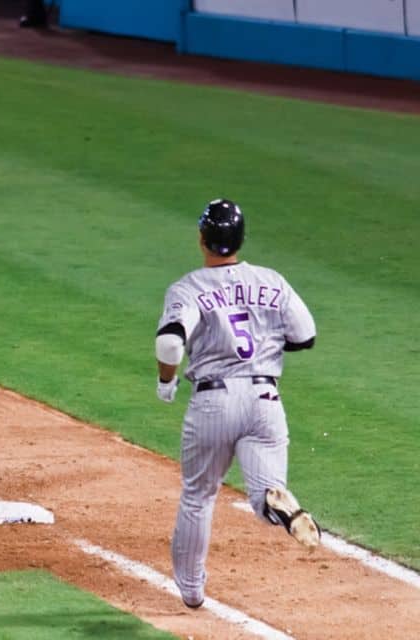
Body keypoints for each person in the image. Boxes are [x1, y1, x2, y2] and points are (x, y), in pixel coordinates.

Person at [155, 198, 321, 609]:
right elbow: (305, 335)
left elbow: (171, 342)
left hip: (214, 401)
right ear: (241, 239)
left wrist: (166, 381)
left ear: (202, 239)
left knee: (199, 495)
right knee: (265, 492)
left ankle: (192, 592)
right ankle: (284, 508)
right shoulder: (272, 280)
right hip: (265, 399)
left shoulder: (189, 287)